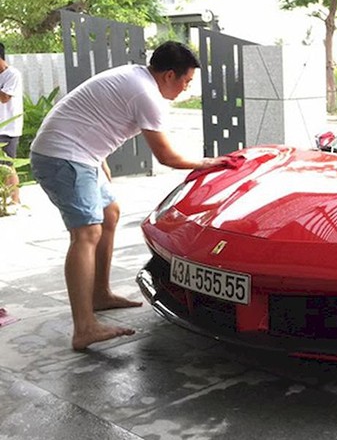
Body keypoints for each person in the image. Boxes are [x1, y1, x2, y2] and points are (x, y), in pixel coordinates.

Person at [30, 41, 226, 351]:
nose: (186, 89)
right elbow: (167, 157)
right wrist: (209, 163)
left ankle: (100, 294)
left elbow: (93, 111)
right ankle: (84, 327)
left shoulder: (134, 77)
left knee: (110, 213)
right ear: (169, 75)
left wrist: (99, 156)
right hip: (64, 157)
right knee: (86, 233)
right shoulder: (145, 93)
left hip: (82, 155)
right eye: (186, 81)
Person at [0, 41, 24, 207]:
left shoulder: (12, 74)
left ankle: (15, 201)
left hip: (8, 128)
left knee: (7, 164)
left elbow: (4, 97)